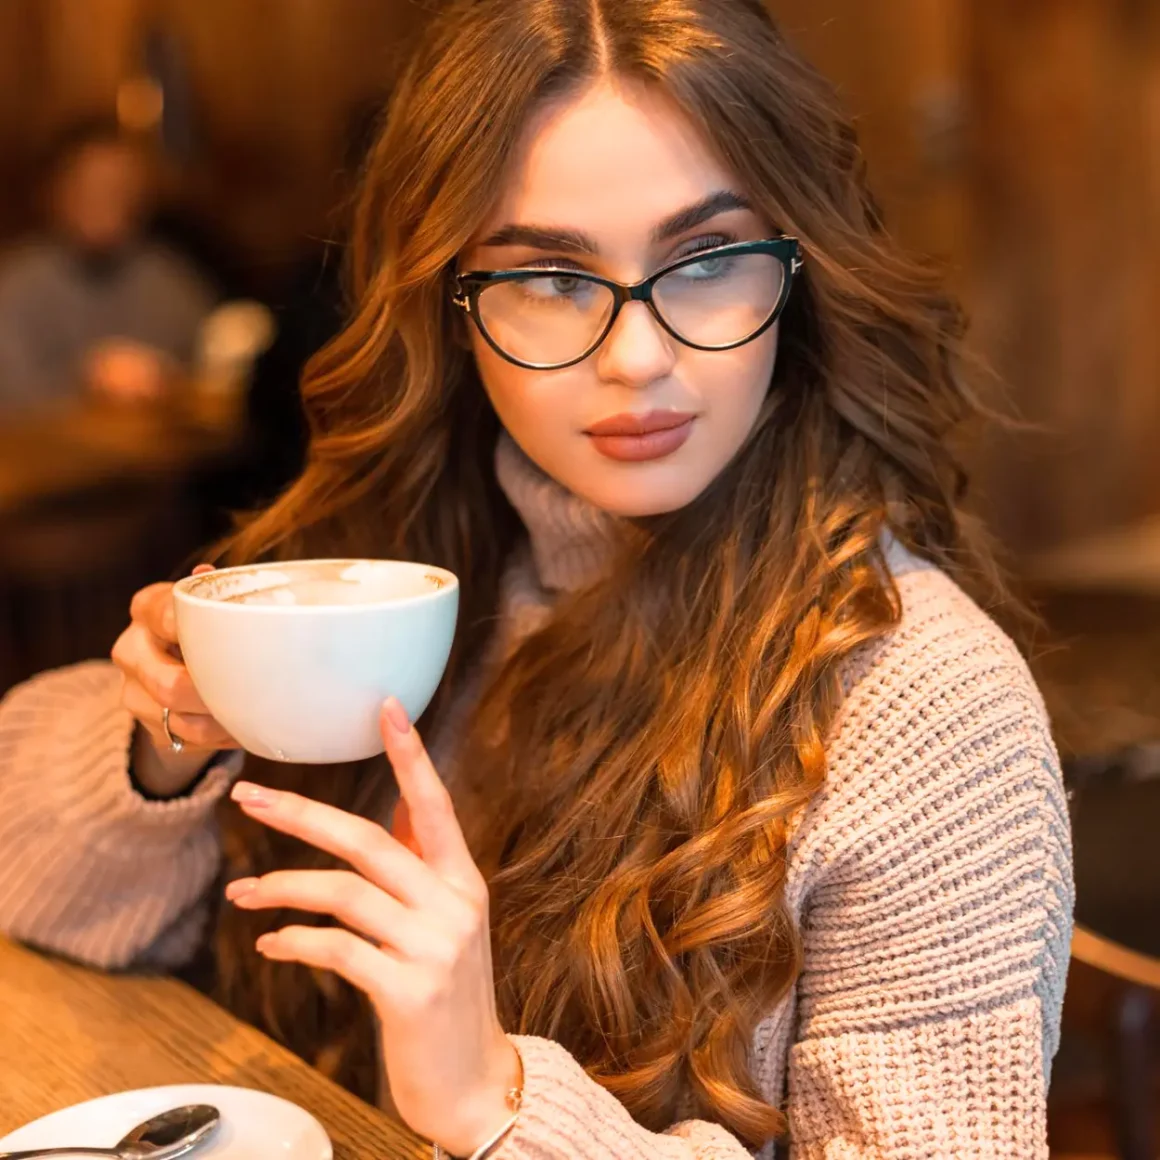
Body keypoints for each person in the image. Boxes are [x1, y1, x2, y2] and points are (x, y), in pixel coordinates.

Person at [0, 3, 1073, 1157]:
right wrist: (164, 742)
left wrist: (492, 1096)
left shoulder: (924, 707)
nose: (637, 357)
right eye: (551, 277)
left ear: (798, 271)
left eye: (706, 258)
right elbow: (31, 897)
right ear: (450, 305)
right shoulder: (408, 575)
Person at [0, 118, 215, 412]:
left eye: (119, 187)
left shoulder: (168, 277)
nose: (105, 200)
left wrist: (164, 379)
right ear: (55, 192)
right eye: (90, 185)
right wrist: (85, 379)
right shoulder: (17, 284)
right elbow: (11, 397)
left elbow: (210, 370)